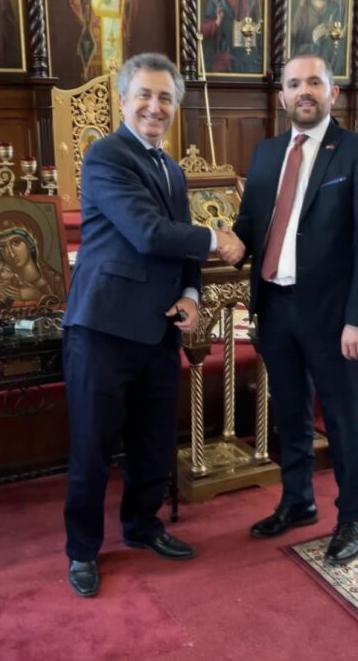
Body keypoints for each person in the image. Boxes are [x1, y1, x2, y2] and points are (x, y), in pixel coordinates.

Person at [62, 52, 242, 597]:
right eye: (144, 94)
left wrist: (191, 293)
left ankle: (143, 526)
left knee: (154, 443)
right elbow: (147, 232)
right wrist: (217, 238)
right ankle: (82, 551)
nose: (154, 106)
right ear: (123, 100)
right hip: (103, 327)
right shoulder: (105, 156)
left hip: (160, 327)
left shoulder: (173, 169)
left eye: (165, 97)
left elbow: (177, 245)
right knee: (93, 447)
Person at [227, 54, 358, 564]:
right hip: (275, 308)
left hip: (332, 315)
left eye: (314, 82)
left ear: (332, 92)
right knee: (290, 412)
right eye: (295, 83)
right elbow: (251, 224)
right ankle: (297, 501)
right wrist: (225, 241)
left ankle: (351, 516)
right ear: (282, 95)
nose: (305, 91)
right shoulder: (266, 153)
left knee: (341, 419)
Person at [0, 210, 65, 310]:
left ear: (32, 243)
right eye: (2, 246)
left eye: (16, 242)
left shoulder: (56, 282)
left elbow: (67, 312)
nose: (11, 253)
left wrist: (38, 296)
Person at [200, 0, 262, 74]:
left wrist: (251, 28)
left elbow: (257, 25)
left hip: (244, 50)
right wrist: (217, 21)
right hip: (222, 50)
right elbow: (204, 29)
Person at [290, 0, 345, 75]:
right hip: (306, 59)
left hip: (328, 61)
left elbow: (339, 39)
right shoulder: (304, 7)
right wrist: (301, 6)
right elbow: (293, 33)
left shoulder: (333, 8)